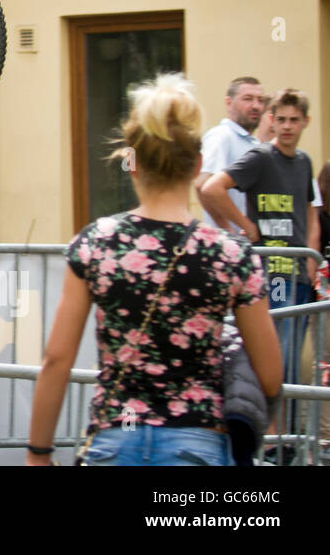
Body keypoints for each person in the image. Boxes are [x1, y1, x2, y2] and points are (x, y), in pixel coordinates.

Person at [27, 73, 281, 466]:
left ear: (131, 162)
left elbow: (57, 360)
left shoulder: (97, 242)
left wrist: (38, 453)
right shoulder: (231, 254)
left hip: (117, 434)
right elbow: (269, 376)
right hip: (198, 441)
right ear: (198, 164)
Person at [201, 89, 321, 402]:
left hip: (297, 271)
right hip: (270, 272)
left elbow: (309, 206)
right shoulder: (261, 157)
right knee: (274, 356)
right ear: (271, 120)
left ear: (305, 122)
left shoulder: (304, 162)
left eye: (294, 120)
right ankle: (270, 440)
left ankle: (287, 440)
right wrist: (244, 225)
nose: (286, 126)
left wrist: (311, 256)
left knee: (293, 357)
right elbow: (212, 188)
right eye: (280, 119)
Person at [193, 76, 265, 228]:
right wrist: (225, 229)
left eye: (260, 100)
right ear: (229, 103)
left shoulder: (255, 143)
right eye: (248, 99)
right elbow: (201, 184)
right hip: (229, 246)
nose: (256, 106)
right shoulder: (222, 136)